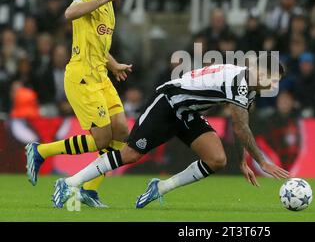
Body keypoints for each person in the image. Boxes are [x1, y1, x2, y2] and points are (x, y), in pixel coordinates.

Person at [51, 57, 290, 208]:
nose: (273, 85)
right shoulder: (239, 82)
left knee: (216, 159)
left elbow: (241, 127)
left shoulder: (248, 88)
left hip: (187, 112)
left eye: (276, 81)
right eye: (271, 78)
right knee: (131, 154)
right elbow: (240, 127)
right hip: (168, 102)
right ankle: (69, 183)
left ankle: (160, 188)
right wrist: (262, 162)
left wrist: (241, 163)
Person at [25, 0, 133, 208]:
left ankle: (89, 191)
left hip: (101, 76)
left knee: (122, 132)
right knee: (101, 140)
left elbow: (98, 45)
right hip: (82, 76)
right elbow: (70, 13)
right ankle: (41, 151)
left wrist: (114, 64)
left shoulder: (109, 6)